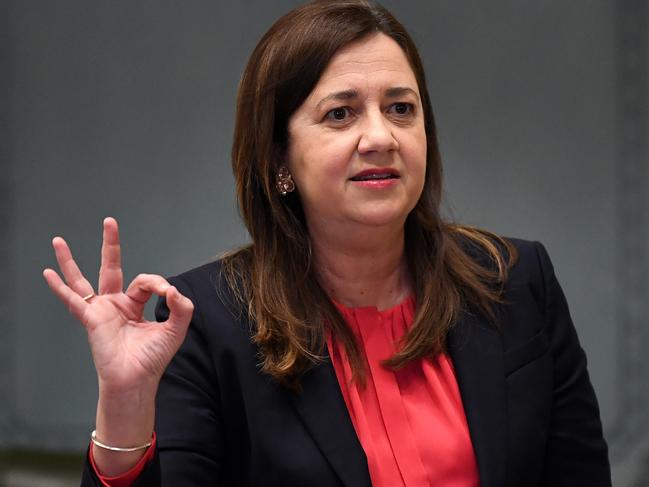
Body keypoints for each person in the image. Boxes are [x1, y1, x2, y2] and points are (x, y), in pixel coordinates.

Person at [43, 1, 612, 485]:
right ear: (278, 160)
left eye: (401, 109)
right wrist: (122, 408)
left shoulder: (515, 280)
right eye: (340, 114)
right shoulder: (203, 321)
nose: (381, 137)